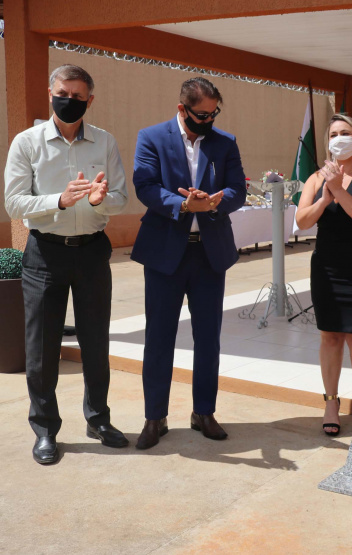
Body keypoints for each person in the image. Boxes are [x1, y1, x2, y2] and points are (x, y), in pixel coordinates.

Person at [4, 64, 129, 464]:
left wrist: (98, 201)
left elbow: (121, 198)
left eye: (78, 96)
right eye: (63, 93)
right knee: (41, 348)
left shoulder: (105, 142)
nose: (69, 100)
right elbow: (14, 203)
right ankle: (45, 430)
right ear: (50, 92)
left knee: (96, 342)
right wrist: (58, 200)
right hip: (45, 252)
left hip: (92, 250)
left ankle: (99, 419)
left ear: (89, 100)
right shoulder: (27, 142)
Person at [131, 77, 246, 449]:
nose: (208, 120)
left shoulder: (225, 142)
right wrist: (182, 204)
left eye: (214, 113)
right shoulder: (151, 137)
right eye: (201, 114)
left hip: (209, 253)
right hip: (165, 253)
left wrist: (213, 200)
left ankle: (204, 412)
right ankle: (154, 417)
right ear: (182, 109)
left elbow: (237, 190)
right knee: (159, 338)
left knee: (208, 337)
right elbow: (145, 186)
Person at [295, 113, 352, 436]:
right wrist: (325, 197)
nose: (338, 138)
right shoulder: (316, 179)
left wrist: (340, 190)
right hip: (326, 269)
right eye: (333, 134)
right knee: (329, 336)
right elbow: (303, 221)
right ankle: (331, 402)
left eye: (345, 132)